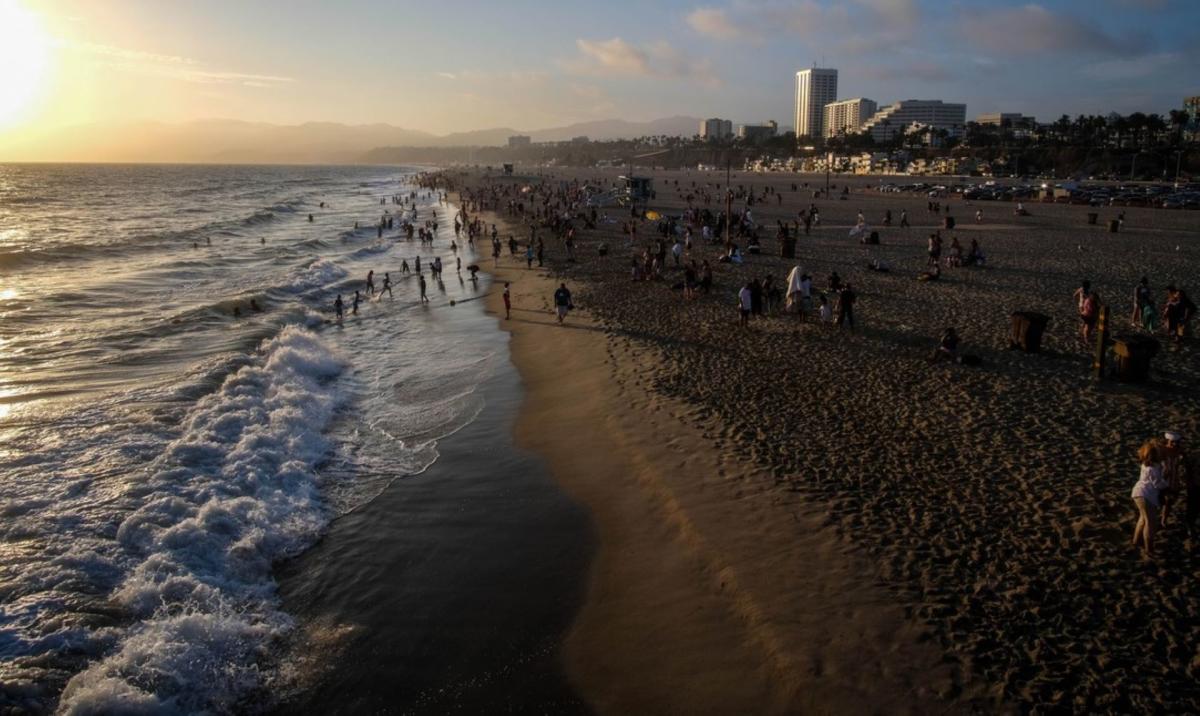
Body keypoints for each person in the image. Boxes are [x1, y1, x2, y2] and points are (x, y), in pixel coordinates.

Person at [1131, 439, 1168, 558]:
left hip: (1138, 493)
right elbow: (1158, 484)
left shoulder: (1146, 465)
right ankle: (1149, 548)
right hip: (1147, 495)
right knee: (1150, 523)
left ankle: (1136, 541)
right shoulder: (1153, 469)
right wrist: (1166, 482)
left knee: (1143, 518)